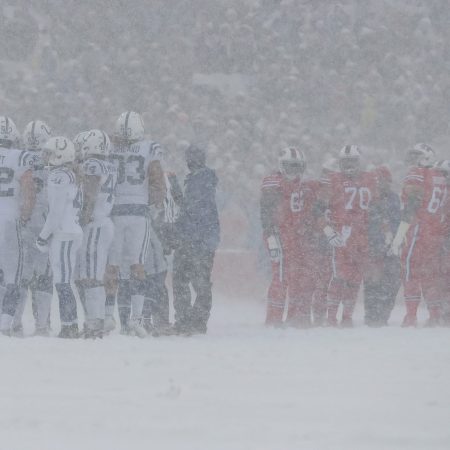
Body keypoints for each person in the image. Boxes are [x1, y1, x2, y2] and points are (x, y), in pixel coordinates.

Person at [107, 111, 165, 337]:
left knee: (113, 266)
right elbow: (156, 178)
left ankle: (108, 315)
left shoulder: (110, 146)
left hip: (114, 211)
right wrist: (156, 202)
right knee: (137, 265)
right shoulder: (149, 147)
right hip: (138, 212)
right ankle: (136, 318)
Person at [318, 145, 379, 327]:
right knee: (338, 277)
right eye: (345, 162)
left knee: (354, 278)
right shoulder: (333, 179)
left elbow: (377, 209)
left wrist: (381, 232)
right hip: (342, 233)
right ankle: (331, 317)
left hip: (363, 234)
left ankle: (347, 316)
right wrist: (328, 231)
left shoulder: (370, 179)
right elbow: (318, 210)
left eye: (352, 161)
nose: (349, 166)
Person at [260, 147, 319, 327]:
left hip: (298, 235)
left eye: (297, 166)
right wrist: (271, 236)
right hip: (279, 233)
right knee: (281, 275)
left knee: (299, 276)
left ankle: (296, 316)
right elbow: (266, 212)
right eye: (290, 166)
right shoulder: (274, 182)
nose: (294, 171)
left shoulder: (304, 185)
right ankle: (274, 317)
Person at [390, 143, 447, 327]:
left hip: (418, 231)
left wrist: (399, 235)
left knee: (410, 272)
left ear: (426, 158)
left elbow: (412, 206)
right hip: (435, 232)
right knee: (431, 275)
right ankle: (435, 315)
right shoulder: (441, 178)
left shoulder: (418, 173)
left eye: (416, 156)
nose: (412, 160)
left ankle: (411, 316)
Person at [36, 136, 83, 338]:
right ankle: (69, 324)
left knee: (63, 282)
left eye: (50, 153)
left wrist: (42, 235)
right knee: (64, 281)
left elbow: (55, 212)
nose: (46, 157)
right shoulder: (68, 174)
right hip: (70, 229)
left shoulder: (59, 176)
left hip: (63, 232)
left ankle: (69, 325)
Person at [172, 144, 220, 335]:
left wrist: (175, 191)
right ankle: (195, 320)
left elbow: (189, 210)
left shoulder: (199, 181)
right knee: (197, 281)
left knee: (187, 280)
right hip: (202, 239)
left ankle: (188, 320)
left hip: (194, 239)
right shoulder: (202, 179)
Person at [77, 129, 117, 338]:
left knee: (91, 277)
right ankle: (98, 319)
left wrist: (84, 216)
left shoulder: (93, 165)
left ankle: (95, 322)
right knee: (91, 275)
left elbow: (90, 193)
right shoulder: (110, 165)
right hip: (105, 221)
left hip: (95, 223)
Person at [0, 116, 36, 336]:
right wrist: (25, 216)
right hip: (10, 219)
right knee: (13, 274)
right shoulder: (20, 157)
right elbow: (29, 191)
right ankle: (5, 322)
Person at [18, 120, 53, 336]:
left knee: (21, 275)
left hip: (23, 220)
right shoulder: (54, 158)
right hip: (45, 222)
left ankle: (14, 321)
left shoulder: (19, 157)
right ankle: (42, 324)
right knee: (44, 277)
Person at [364, 165, 401, 326]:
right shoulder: (368, 198)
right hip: (373, 246)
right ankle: (372, 316)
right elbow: (367, 223)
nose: (382, 184)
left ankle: (384, 315)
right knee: (373, 283)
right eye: (379, 181)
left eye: (385, 181)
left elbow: (397, 220)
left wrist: (395, 240)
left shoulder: (394, 198)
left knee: (392, 282)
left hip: (391, 247)